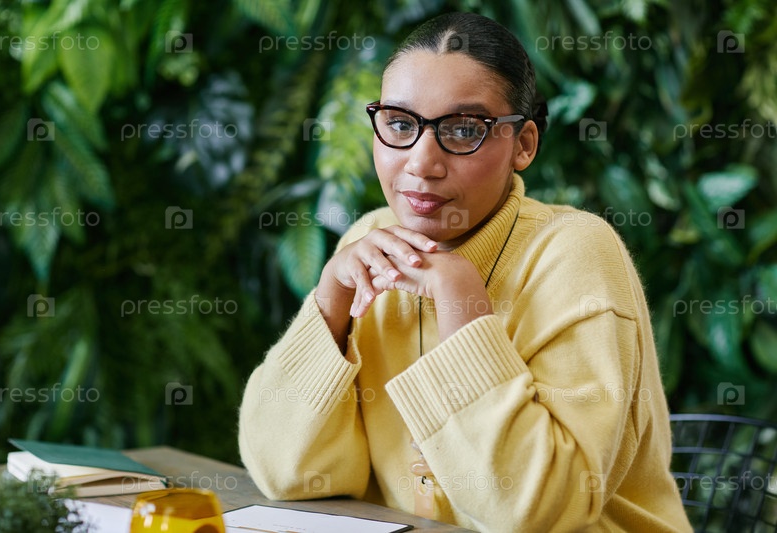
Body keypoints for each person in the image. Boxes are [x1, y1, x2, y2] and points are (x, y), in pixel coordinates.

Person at [239, 11, 692, 532]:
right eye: (400, 124)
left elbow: (538, 512)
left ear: (523, 144)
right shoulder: (370, 244)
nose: (421, 163)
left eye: (462, 130)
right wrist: (330, 302)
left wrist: (462, 305)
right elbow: (288, 475)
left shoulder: (576, 252)